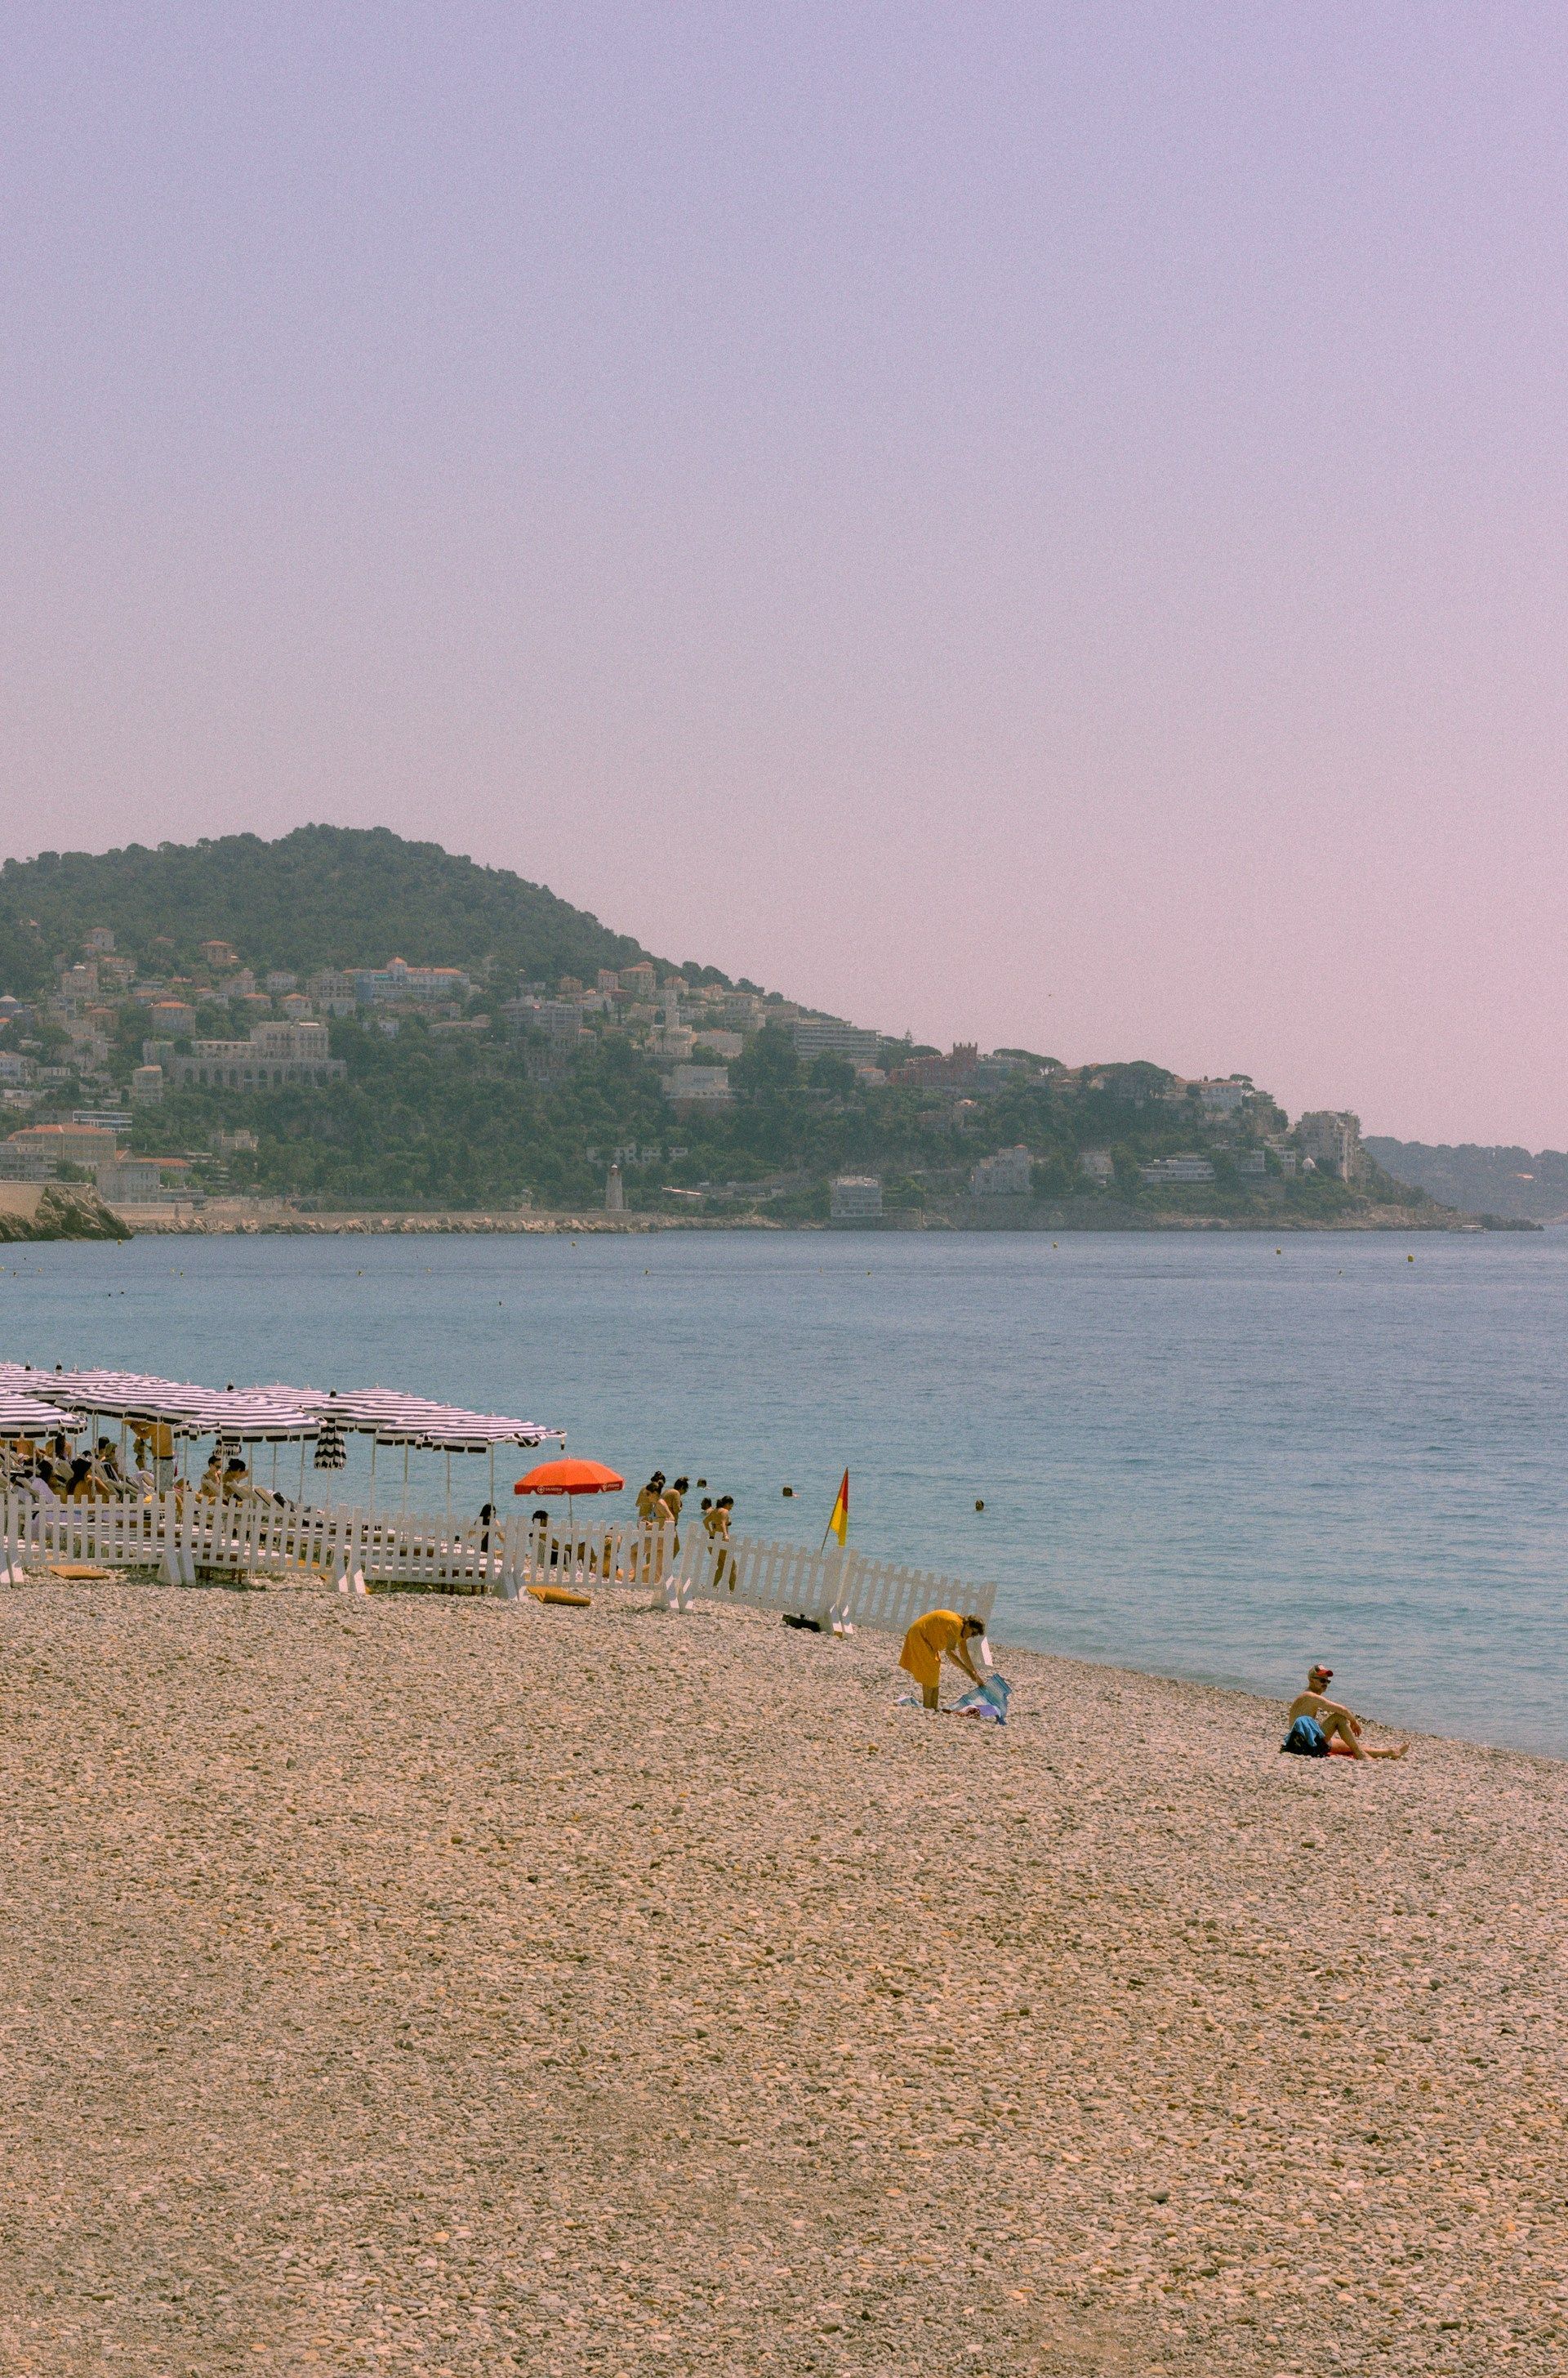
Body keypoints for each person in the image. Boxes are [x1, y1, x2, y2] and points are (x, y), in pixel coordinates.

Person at [1281, 1666, 1409, 1760]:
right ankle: (1360, 1754)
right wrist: (1353, 1721)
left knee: (1350, 1745)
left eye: (1327, 1681)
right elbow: (1342, 1710)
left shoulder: (1309, 1696)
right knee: (1339, 1717)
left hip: (1305, 1742)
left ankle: (1391, 1752)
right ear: (1311, 1680)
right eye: (1322, 1681)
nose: (1325, 1684)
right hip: (1303, 1745)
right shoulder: (1309, 1696)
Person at [898, 1609, 990, 1711]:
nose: (971, 1636)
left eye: (974, 1635)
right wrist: (967, 1671)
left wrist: (976, 1676)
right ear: (968, 1625)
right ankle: (927, 1708)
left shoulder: (962, 1629)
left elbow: (964, 1654)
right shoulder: (956, 1625)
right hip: (919, 1635)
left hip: (928, 1640)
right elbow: (950, 1653)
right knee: (930, 1671)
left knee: (934, 1668)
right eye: (973, 1632)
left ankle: (933, 1708)